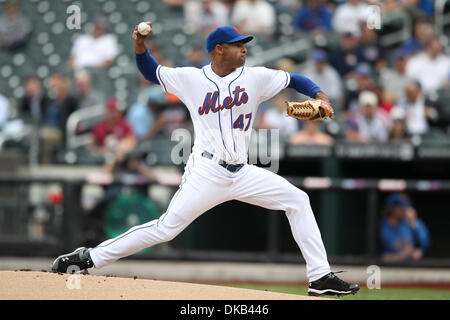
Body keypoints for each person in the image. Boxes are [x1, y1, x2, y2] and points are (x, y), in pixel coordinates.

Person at [52, 23, 359, 297]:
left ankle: (319, 278)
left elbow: (296, 78)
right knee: (165, 229)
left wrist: (321, 96)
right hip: (207, 172)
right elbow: (151, 71)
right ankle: (89, 257)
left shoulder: (255, 78)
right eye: (238, 45)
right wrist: (139, 46)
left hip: (243, 172)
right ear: (219, 50)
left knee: (298, 200)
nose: (243, 49)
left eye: (244, 44)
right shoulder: (191, 79)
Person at [90, 97, 138, 172]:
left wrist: (118, 147)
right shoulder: (99, 127)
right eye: (112, 111)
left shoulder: (124, 125)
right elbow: (92, 146)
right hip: (104, 157)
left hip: (123, 159)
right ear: (107, 111)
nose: (115, 114)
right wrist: (103, 150)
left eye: (117, 111)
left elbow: (132, 141)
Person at [380, 193, 430, 263]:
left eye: (406, 207)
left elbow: (425, 242)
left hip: (413, 267)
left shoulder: (412, 222)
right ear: (392, 209)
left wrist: (413, 224)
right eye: (401, 207)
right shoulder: (384, 227)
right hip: (390, 268)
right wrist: (404, 254)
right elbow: (385, 257)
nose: (405, 210)